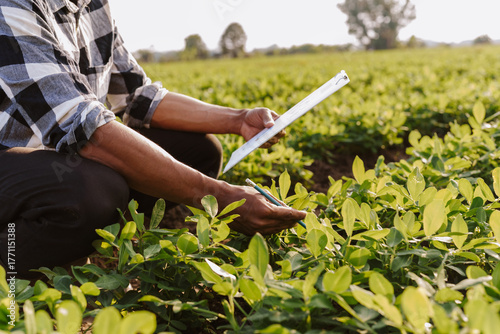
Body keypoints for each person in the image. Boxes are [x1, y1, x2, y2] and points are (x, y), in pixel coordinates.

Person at [0, 0, 306, 278]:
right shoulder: (13, 6)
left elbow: (136, 96)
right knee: (92, 190)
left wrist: (238, 120)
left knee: (198, 151)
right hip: (9, 159)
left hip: (55, 155)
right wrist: (220, 196)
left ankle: (103, 249)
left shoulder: (93, 5)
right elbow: (83, 127)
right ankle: (13, 272)